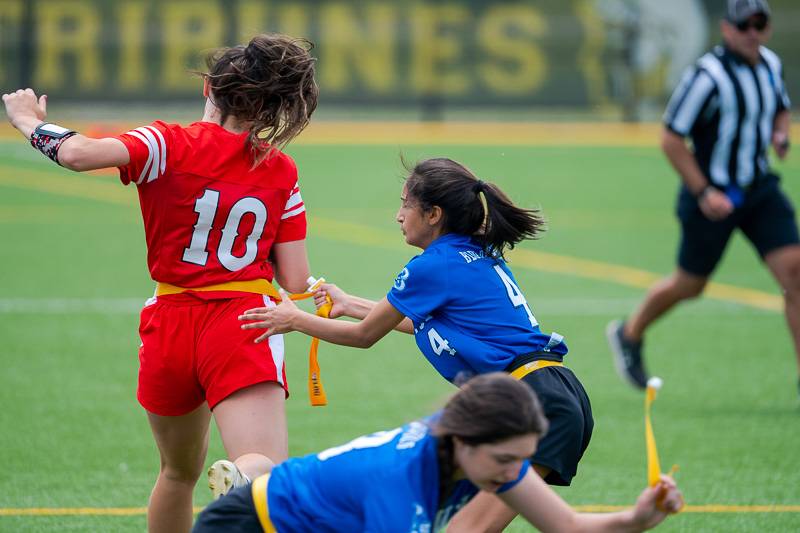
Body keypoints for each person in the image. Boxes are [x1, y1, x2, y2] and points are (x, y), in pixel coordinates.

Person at [2, 34, 319, 533]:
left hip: (170, 323)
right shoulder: (280, 168)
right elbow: (296, 278)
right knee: (265, 470)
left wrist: (28, 122)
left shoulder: (167, 142)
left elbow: (79, 154)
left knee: (176, 473)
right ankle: (245, 476)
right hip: (244, 323)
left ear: (211, 90)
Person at [239, 157, 594, 532]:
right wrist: (351, 304)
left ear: (433, 214)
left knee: (465, 528)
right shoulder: (470, 252)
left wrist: (295, 320)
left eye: (406, 204)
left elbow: (365, 337)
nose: (398, 215)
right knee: (459, 519)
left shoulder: (433, 264)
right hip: (549, 391)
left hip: (531, 400)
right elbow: (434, 324)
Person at [192, 373, 682, 533]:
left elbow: (569, 527)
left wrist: (637, 518)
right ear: (465, 441)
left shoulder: (489, 458)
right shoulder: (401, 481)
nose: (516, 475)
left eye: (523, 460)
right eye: (507, 461)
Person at [607, 0, 800, 393]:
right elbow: (671, 138)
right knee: (690, 285)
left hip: (759, 188)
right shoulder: (707, 76)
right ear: (727, 30)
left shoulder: (770, 65)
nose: (752, 33)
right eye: (744, 25)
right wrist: (704, 191)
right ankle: (630, 332)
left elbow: (781, 108)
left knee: (795, 273)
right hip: (712, 195)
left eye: (759, 25)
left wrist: (781, 134)